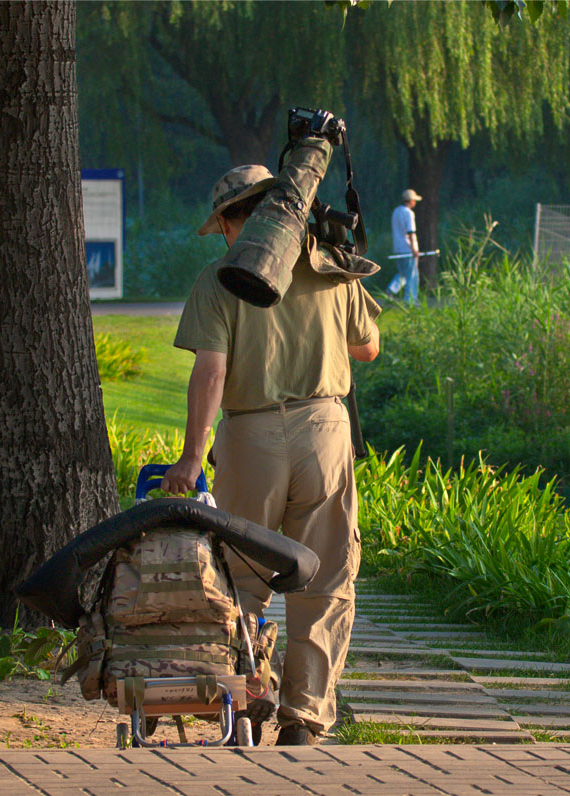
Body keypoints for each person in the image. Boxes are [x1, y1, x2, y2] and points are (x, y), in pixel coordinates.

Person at [161, 140, 380, 746]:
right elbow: (368, 347)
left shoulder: (219, 282)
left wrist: (188, 457)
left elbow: (209, 374)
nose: (224, 237)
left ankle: (249, 700)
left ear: (241, 219)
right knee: (327, 579)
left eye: (224, 224)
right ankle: (305, 717)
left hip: (250, 436)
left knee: (240, 577)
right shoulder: (330, 264)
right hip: (325, 431)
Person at [390, 188, 421, 305]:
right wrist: (414, 249)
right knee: (412, 276)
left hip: (397, 248)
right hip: (408, 249)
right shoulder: (409, 213)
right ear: (410, 200)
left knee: (403, 274)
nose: (415, 202)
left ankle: (391, 290)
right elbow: (411, 232)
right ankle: (410, 300)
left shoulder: (396, 211)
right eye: (414, 200)